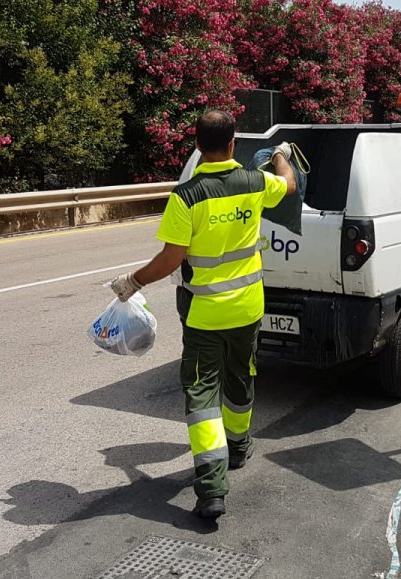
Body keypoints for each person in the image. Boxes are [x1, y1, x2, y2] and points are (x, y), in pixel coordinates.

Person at [109, 110, 296, 521]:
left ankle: (211, 488)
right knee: (241, 376)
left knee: (201, 395)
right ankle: (240, 445)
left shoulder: (186, 196)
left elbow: (170, 258)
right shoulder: (255, 182)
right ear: (234, 144)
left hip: (204, 316)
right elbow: (289, 183)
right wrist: (281, 153)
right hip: (248, 307)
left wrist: (133, 282)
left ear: (196, 145)